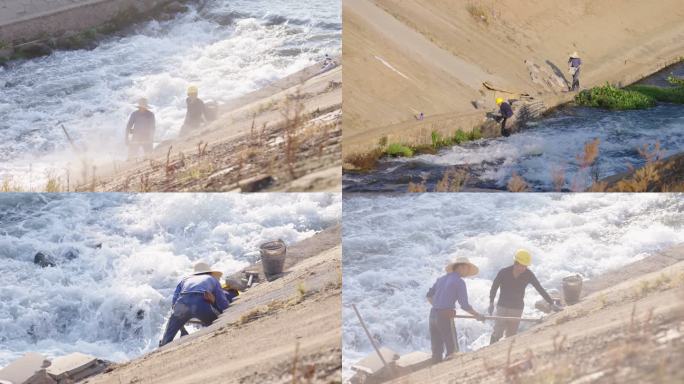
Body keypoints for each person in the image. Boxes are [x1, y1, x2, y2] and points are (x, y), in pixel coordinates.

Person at [488, 250, 562, 344]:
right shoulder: (503, 272)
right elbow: (494, 287)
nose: (524, 268)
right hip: (503, 306)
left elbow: (539, 288)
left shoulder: (528, 274)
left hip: (517, 308)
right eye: (522, 265)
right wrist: (491, 302)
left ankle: (507, 355)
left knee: (511, 335)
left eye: (526, 266)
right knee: (497, 332)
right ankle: (489, 350)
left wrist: (551, 303)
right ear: (516, 263)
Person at [426, 257, 486, 363]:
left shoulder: (441, 279)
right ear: (461, 267)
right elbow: (464, 305)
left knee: (436, 349)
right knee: (452, 350)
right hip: (444, 317)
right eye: (467, 269)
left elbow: (429, 296)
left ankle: (436, 374)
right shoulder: (459, 282)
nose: (468, 272)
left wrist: (438, 306)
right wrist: (477, 315)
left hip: (432, 315)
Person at [159, 261, 229, 346]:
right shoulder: (212, 279)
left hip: (182, 303)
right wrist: (227, 313)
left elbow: (174, 302)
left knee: (169, 333)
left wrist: (179, 324)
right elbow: (222, 301)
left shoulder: (185, 280)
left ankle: (163, 344)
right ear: (210, 273)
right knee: (215, 325)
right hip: (201, 303)